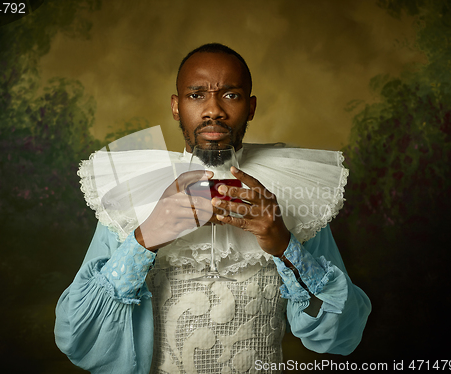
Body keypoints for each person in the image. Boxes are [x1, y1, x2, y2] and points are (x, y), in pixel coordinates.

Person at [55, 43, 371, 374]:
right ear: (176, 107)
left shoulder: (293, 195)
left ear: (250, 108)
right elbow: (75, 335)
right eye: (196, 95)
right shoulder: (135, 194)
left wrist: (285, 246)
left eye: (230, 95)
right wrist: (144, 238)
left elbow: (342, 336)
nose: (213, 110)